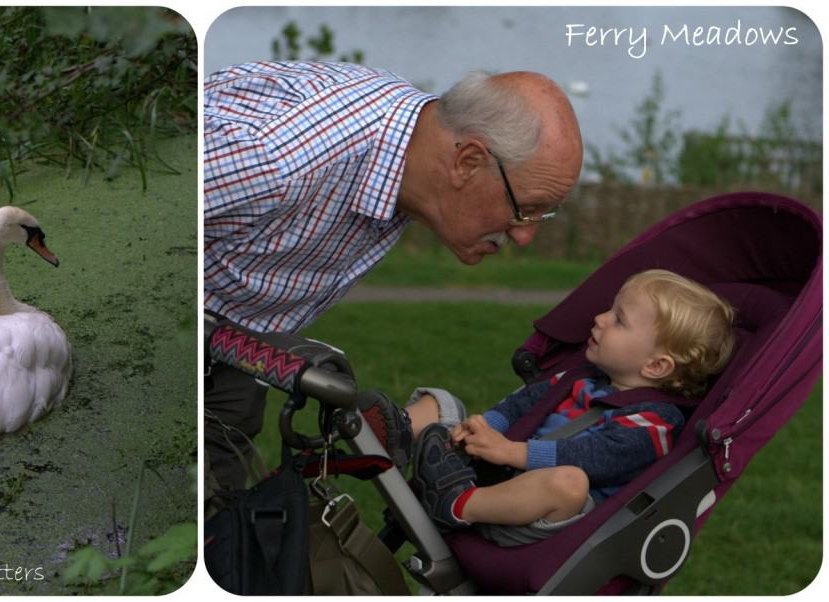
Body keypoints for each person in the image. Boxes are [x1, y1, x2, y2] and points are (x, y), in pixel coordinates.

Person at [203, 60, 584, 497]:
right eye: (527, 208)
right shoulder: (276, 159)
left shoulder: (416, 156)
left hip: (235, 348)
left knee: (211, 531)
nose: (525, 235)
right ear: (468, 161)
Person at [367, 269, 735, 546]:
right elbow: (521, 403)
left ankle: (455, 504)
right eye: (610, 310)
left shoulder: (655, 424)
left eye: (618, 320)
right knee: (442, 403)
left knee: (569, 483)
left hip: (541, 519)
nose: (600, 319)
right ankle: (385, 440)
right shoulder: (581, 377)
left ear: (656, 365)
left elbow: (592, 457)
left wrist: (512, 451)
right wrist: (483, 427)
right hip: (497, 471)